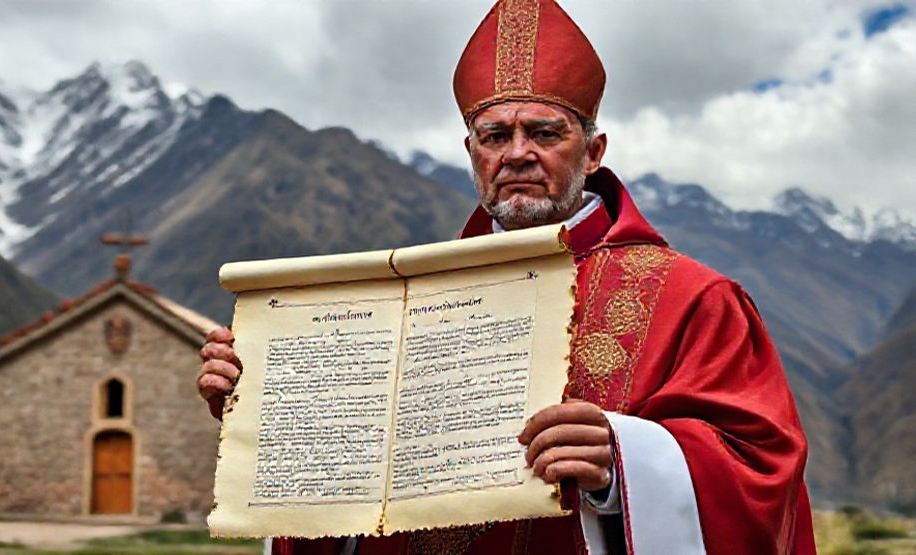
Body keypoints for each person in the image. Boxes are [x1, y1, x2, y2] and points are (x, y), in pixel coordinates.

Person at [198, 0, 816, 553]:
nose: (518, 152)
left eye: (545, 132)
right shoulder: (406, 299)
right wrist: (272, 411)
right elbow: (354, 483)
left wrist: (624, 463)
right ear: (472, 154)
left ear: (593, 151)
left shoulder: (695, 299)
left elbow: (762, 474)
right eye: (496, 134)